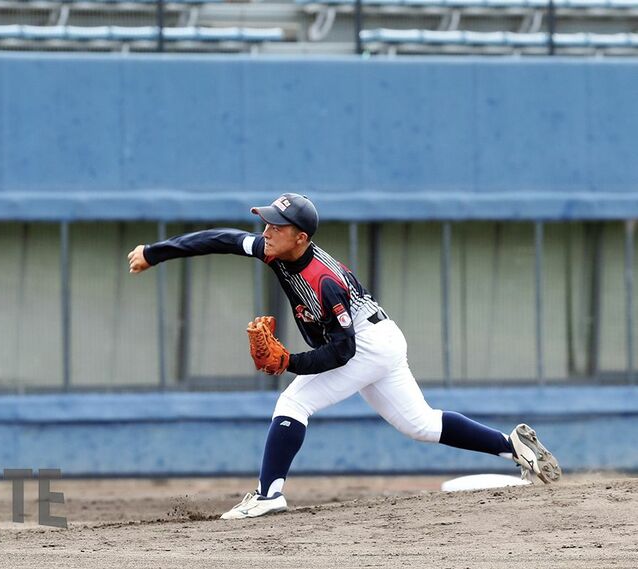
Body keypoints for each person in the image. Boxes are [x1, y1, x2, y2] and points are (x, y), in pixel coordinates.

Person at [126, 193, 561, 520]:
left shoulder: (323, 280)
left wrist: (289, 363)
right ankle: (513, 448)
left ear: (301, 237)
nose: (266, 232)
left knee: (294, 401)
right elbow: (220, 239)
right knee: (421, 424)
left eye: (276, 226)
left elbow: (342, 351)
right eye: (267, 223)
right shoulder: (274, 249)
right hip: (381, 338)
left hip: (366, 344)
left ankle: (269, 494)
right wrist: (156, 252)